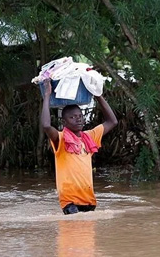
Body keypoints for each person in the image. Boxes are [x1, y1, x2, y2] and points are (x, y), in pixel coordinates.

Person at [40, 78, 118, 215]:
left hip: (89, 199)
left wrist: (97, 94)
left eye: (80, 116)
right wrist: (47, 95)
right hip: (69, 201)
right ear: (64, 122)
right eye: (73, 117)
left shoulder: (89, 136)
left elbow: (112, 121)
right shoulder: (61, 139)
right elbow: (46, 125)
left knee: (86, 235)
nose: (78, 119)